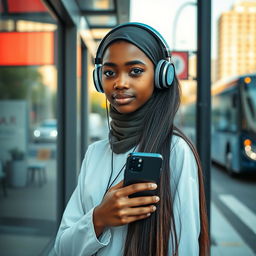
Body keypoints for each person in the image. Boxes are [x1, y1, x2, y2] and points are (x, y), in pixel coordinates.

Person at [54, 22, 209, 256]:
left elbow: (185, 247)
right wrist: (98, 218)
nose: (120, 83)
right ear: (99, 79)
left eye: (135, 71)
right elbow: (62, 249)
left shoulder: (176, 151)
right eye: (109, 72)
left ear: (161, 76)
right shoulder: (95, 153)